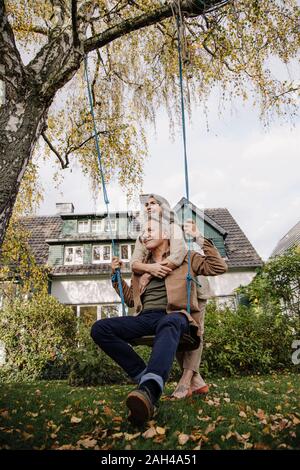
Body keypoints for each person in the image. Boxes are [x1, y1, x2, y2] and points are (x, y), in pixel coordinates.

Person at [91, 217, 227, 425]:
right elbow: (130, 299)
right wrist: (115, 275)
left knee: (168, 322)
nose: (144, 234)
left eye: (150, 230)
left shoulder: (186, 259)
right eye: (143, 232)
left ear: (166, 234)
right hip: (146, 318)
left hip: (176, 315)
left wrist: (198, 237)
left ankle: (150, 391)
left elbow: (218, 267)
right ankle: (144, 375)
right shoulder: (142, 268)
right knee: (100, 329)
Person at [131, 194, 210, 399]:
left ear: (162, 206)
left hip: (190, 285)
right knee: (172, 330)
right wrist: (148, 268)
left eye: (153, 203)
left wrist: (149, 272)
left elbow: (178, 256)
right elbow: (134, 264)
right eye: (146, 204)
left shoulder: (172, 228)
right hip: (168, 291)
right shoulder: (144, 233)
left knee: (194, 331)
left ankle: (186, 380)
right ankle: (197, 382)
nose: (149, 206)